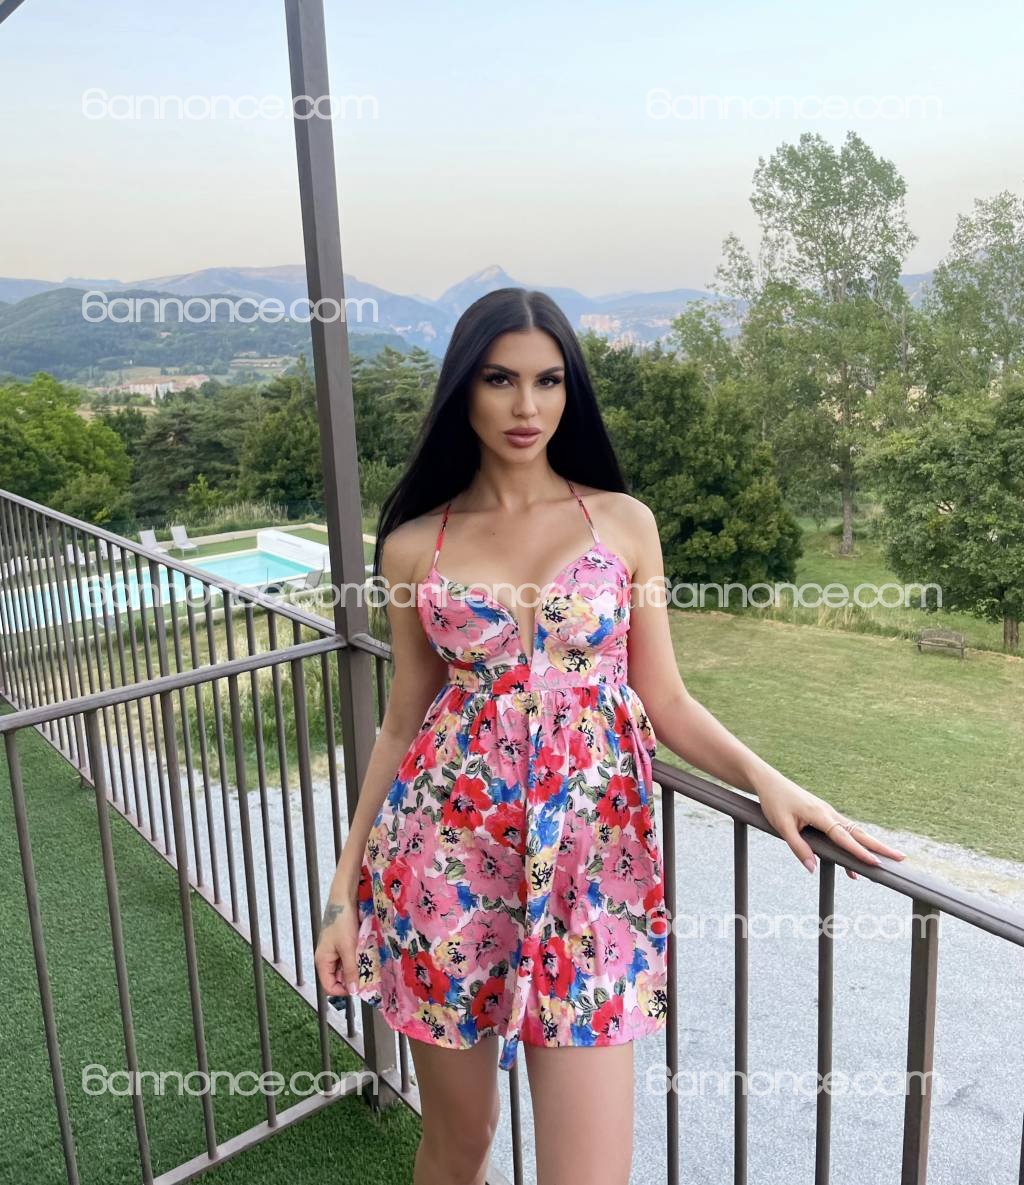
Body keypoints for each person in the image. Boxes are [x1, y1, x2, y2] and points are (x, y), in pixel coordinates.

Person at [314, 287, 905, 1185]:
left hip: (591, 881)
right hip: (442, 870)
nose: (526, 405)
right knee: (459, 1144)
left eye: (548, 380)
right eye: (500, 379)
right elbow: (401, 723)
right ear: (463, 389)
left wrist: (769, 780)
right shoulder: (413, 546)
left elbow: (665, 697)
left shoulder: (622, 523)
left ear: (571, 390)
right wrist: (343, 890)